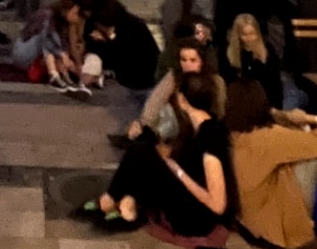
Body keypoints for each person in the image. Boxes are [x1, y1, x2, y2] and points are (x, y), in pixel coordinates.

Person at [82, 72, 230, 234]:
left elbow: (217, 204)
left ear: (182, 100)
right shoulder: (198, 127)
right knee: (143, 149)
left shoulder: (210, 139)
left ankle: (121, 203)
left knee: (140, 153)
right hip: (185, 193)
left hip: (193, 217)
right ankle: (117, 200)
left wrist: (178, 171)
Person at [224, 79, 317, 249]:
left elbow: (276, 115)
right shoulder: (267, 137)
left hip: (249, 222)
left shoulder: (235, 133)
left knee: (306, 151)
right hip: (273, 231)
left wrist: (295, 118)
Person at [129, 28, 224, 142]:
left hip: (207, 128)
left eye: (193, 60)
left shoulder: (215, 81)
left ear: (202, 61)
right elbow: (155, 102)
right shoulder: (174, 77)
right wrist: (143, 125)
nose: (187, 64)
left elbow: (220, 112)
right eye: (183, 60)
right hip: (181, 129)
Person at [224, 12, 306, 113]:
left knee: (289, 106)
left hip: (270, 95)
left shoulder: (267, 51)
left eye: (252, 34)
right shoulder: (231, 55)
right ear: (238, 35)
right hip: (248, 100)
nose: (249, 39)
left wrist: (275, 110)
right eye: (244, 35)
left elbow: (275, 85)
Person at [11, 0, 88, 96]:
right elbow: (45, 40)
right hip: (25, 51)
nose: (76, 17)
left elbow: (62, 44)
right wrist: (61, 53)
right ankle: (53, 76)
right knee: (48, 43)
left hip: (40, 55)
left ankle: (64, 78)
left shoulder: (64, 23)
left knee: (57, 51)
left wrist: (65, 56)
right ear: (65, 10)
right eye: (74, 13)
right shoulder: (46, 15)